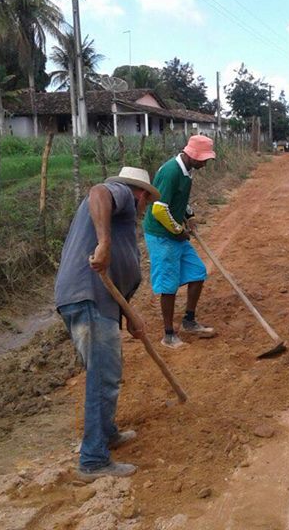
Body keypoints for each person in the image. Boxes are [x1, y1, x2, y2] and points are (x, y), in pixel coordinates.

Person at [54, 167, 159, 480]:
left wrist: (132, 317)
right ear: (140, 194)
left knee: (106, 371)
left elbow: (119, 278)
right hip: (89, 297)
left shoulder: (122, 217)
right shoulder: (121, 194)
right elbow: (97, 191)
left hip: (95, 300)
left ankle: (107, 433)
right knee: (102, 378)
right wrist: (104, 244)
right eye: (146, 201)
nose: (144, 208)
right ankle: (94, 459)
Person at [143, 135, 217, 349]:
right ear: (192, 155)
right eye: (203, 159)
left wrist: (190, 215)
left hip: (175, 232)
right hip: (161, 235)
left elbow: (179, 201)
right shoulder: (171, 172)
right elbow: (158, 208)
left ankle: (189, 321)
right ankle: (168, 335)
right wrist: (178, 231)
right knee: (169, 285)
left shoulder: (187, 171)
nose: (204, 163)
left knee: (197, 272)